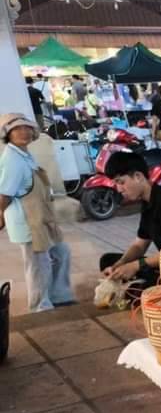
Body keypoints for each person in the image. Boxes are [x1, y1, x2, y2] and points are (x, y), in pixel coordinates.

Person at [0, 113, 73, 312]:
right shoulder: (12, 160)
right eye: (16, 129)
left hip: (40, 218)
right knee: (38, 265)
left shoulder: (23, 154)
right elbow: (4, 195)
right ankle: (40, 306)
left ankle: (59, 295)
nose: (23, 132)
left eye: (26, 128)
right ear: (8, 134)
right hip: (27, 222)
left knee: (61, 252)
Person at [98, 151, 161, 288]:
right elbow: (139, 245)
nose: (119, 189)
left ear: (138, 176)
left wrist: (136, 266)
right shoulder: (148, 202)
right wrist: (120, 264)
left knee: (142, 284)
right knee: (108, 261)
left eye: (121, 182)